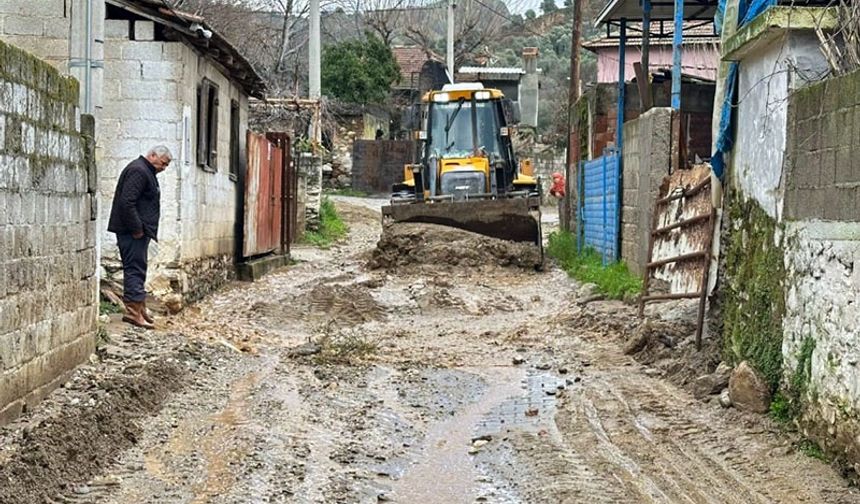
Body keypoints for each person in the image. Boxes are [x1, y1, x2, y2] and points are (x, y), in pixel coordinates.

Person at [107, 146, 173, 329]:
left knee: (139, 268)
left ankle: (139, 307)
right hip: (132, 231)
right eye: (163, 163)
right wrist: (137, 229)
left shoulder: (145, 171)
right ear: (152, 156)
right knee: (134, 269)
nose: (163, 168)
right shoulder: (139, 170)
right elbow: (127, 202)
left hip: (138, 231)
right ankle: (133, 312)